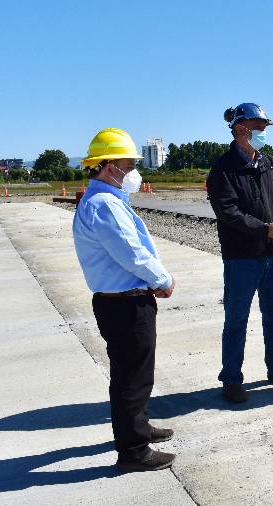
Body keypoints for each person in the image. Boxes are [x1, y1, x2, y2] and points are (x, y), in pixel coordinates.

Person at [72, 128, 177, 472]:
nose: (133, 170)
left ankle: (140, 427)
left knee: (136, 373)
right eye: (129, 164)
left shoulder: (106, 200)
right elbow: (131, 254)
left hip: (121, 301)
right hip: (126, 304)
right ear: (108, 166)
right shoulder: (104, 205)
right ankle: (134, 451)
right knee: (131, 378)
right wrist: (162, 280)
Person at [206, 102, 273, 404]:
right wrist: (265, 228)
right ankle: (232, 379)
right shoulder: (223, 168)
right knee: (236, 320)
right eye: (258, 128)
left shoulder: (269, 162)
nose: (263, 133)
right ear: (240, 129)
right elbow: (228, 211)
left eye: (264, 128)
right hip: (242, 259)